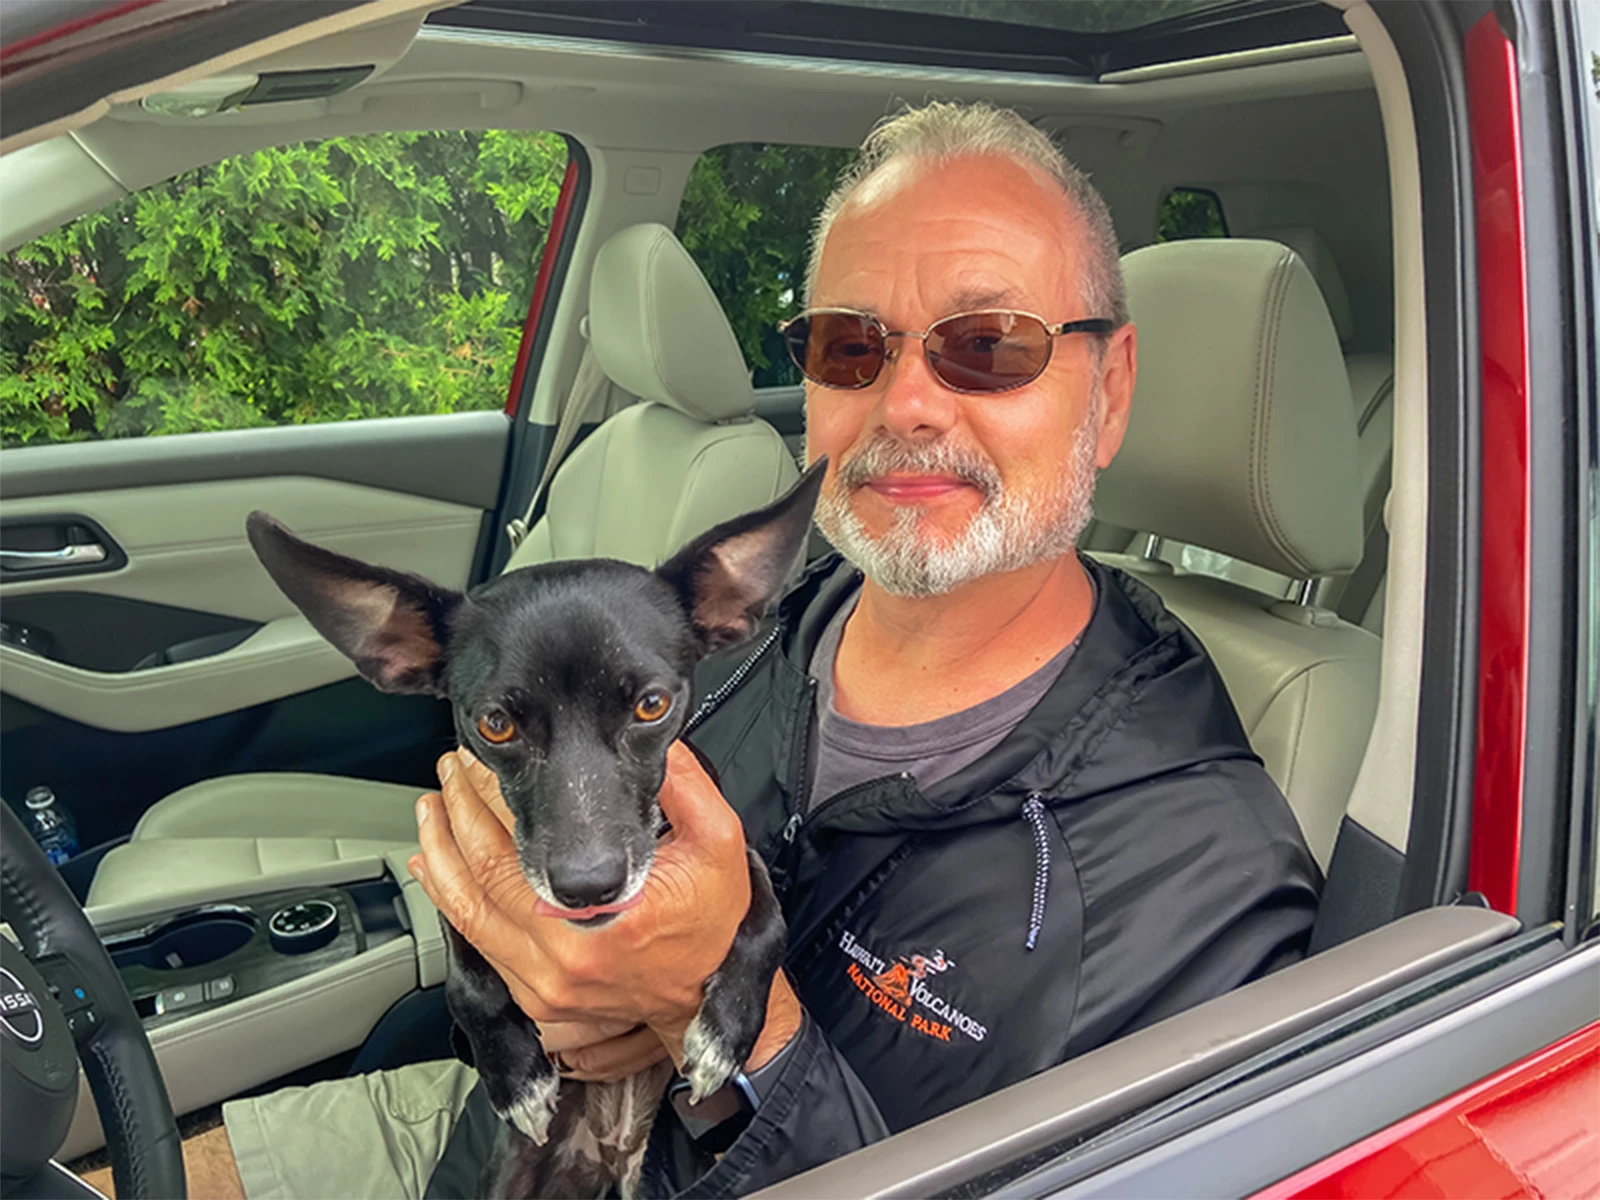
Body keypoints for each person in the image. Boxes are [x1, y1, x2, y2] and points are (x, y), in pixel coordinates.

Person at [147, 100, 1320, 1200]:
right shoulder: (766, 618)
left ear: (1108, 391)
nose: (906, 400)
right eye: (852, 344)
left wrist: (733, 1032)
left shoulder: (1196, 880)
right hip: (493, 1124)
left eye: (987, 342)